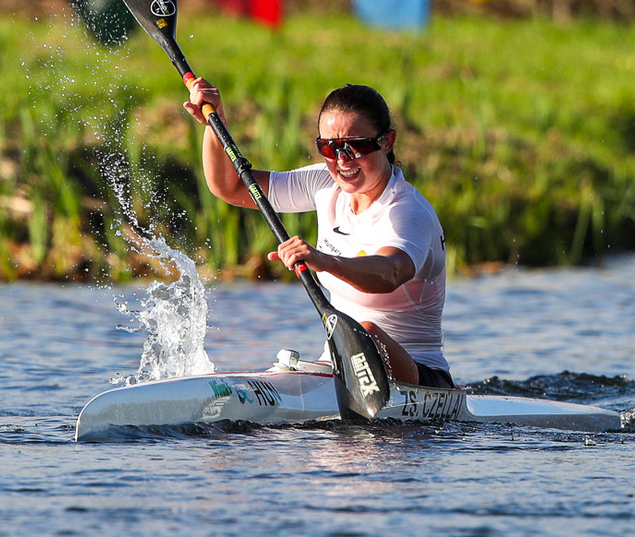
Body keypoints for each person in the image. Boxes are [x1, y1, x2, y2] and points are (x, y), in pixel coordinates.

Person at [185, 79, 453, 388]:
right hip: (342, 368)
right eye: (329, 147)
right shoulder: (324, 184)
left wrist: (325, 260)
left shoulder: (407, 210)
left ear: (387, 142)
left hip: (420, 378)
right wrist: (214, 121)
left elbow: (390, 272)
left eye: (356, 146)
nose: (342, 160)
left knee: (366, 331)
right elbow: (229, 186)